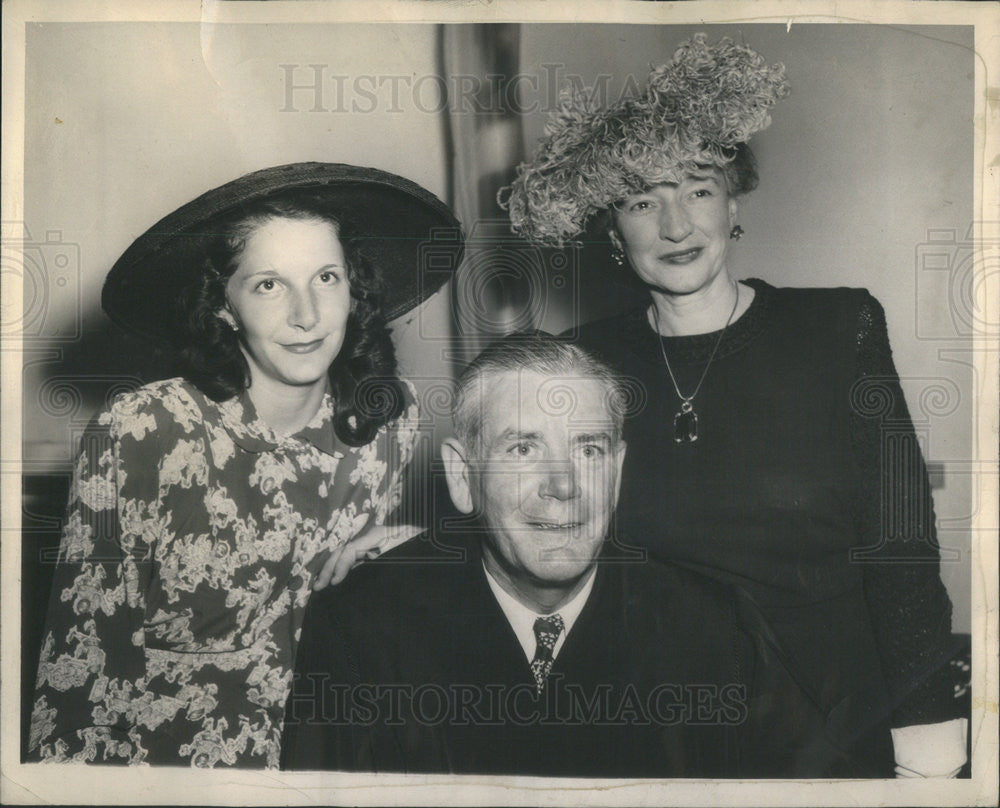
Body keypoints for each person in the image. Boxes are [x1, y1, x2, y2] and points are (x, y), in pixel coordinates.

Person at [501, 35, 965, 778]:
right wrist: (405, 546)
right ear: (613, 231)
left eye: (698, 188)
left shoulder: (839, 327)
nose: (676, 226)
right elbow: (535, 523)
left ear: (733, 199)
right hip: (656, 728)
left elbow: (901, 540)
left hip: (835, 719)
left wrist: (928, 722)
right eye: (642, 201)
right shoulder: (584, 360)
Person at [27, 163, 463, 768]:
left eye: (326, 277)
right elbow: (77, 664)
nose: (307, 314)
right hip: (160, 775)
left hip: (320, 760)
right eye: (268, 285)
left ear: (354, 289)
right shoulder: (143, 430)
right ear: (223, 306)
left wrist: (408, 549)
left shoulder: (388, 423)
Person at [282, 333, 754, 777]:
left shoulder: (714, 630)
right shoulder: (362, 626)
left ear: (618, 472)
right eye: (524, 448)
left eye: (589, 450)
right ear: (463, 476)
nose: (564, 485)